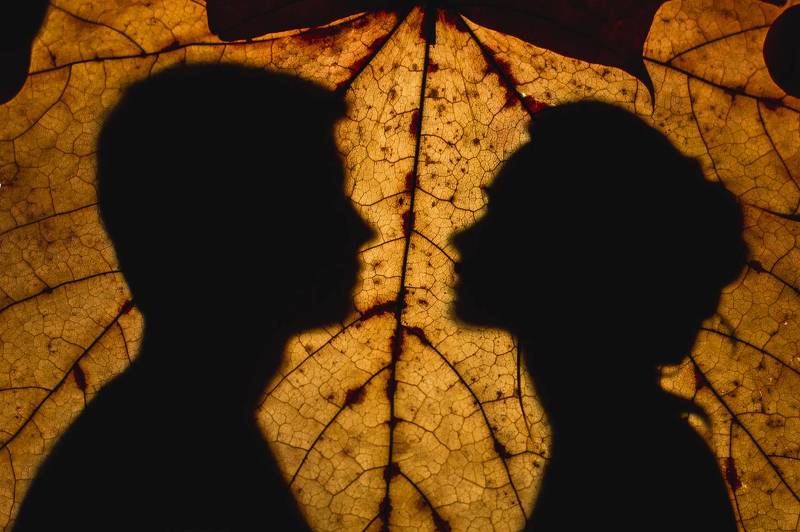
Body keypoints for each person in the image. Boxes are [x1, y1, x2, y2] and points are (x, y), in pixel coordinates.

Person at [14, 64, 373, 531]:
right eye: (322, 199)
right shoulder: (179, 461)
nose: (361, 230)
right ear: (232, 226)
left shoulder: (160, 437)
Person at [452, 101, 745, 531]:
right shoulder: (628, 450)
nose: (460, 237)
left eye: (501, 215)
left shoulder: (643, 470)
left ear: (573, 253)